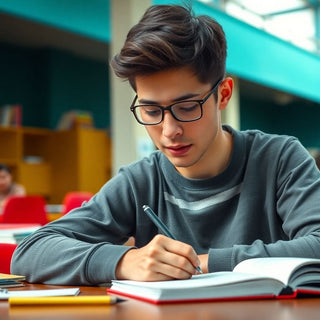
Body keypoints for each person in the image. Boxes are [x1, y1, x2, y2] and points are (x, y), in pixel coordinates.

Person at [11, 4, 320, 285]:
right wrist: (124, 261)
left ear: (223, 94)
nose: (169, 130)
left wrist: (207, 262)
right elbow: (30, 251)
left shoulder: (279, 158)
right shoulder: (140, 181)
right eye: (151, 111)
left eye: (187, 107)